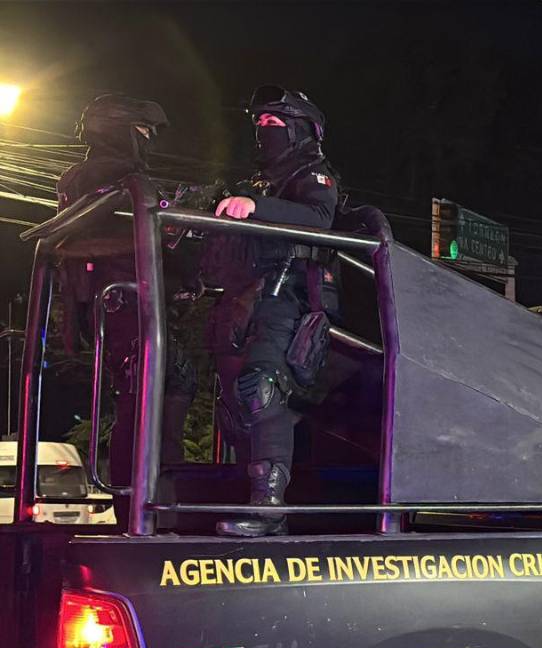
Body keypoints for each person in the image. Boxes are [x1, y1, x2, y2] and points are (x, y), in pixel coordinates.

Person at [56, 94, 196, 529]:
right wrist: (176, 244)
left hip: (121, 304)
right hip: (125, 305)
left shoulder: (88, 175)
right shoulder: (111, 176)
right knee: (148, 397)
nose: (148, 138)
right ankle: (146, 506)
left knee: (151, 395)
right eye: (142, 130)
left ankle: (146, 504)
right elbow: (128, 240)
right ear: (119, 129)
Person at [210, 86, 339, 537]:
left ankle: (268, 508)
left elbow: (320, 218)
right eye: (259, 123)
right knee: (233, 397)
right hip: (247, 298)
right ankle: (246, 493)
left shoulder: (314, 175)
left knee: (262, 386)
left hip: (290, 295)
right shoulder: (259, 181)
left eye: (273, 123)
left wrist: (256, 207)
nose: (263, 131)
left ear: (300, 129)